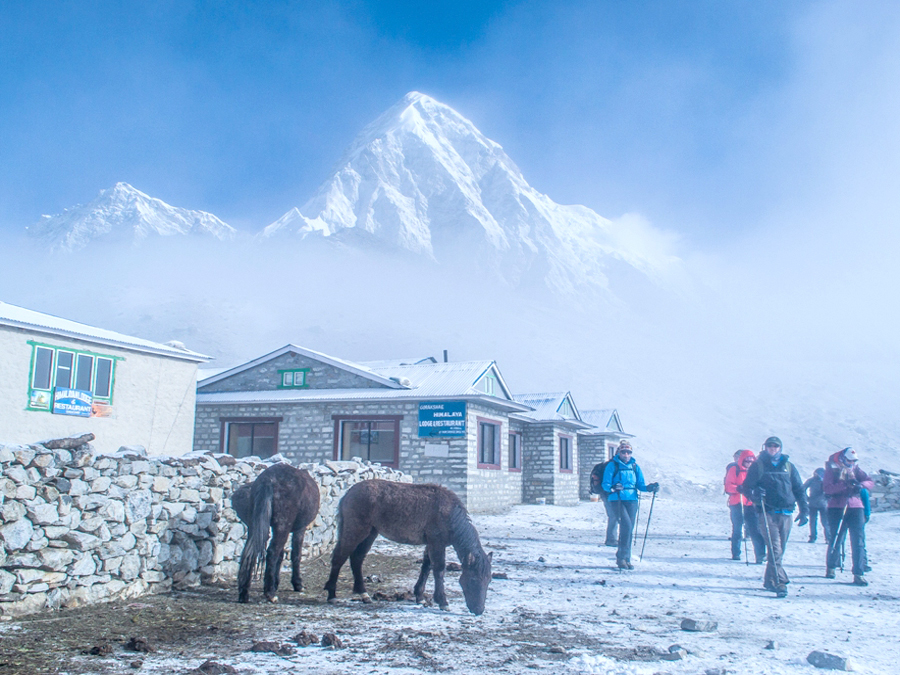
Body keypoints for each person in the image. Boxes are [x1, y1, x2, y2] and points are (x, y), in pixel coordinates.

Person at [740, 436, 808, 598]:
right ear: (765, 447)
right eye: (770, 446)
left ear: (780, 448)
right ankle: (780, 582)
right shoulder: (758, 466)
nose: (772, 448)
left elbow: (798, 489)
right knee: (774, 547)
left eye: (776, 446)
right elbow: (746, 487)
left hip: (786, 512)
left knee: (779, 550)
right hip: (766, 512)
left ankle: (768, 580)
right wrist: (755, 495)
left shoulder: (788, 466)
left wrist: (804, 510)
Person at [601, 440, 659, 570]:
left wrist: (650, 488)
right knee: (626, 526)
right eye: (623, 452)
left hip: (632, 500)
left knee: (629, 529)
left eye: (628, 452)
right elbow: (605, 484)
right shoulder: (612, 466)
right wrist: (614, 488)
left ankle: (626, 558)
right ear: (619, 452)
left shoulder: (634, 467)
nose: (626, 454)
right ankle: (621, 558)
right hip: (617, 499)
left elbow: (640, 485)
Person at [823, 447, 874, 586]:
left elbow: (870, 481)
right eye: (849, 461)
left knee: (858, 540)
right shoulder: (832, 468)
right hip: (837, 507)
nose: (851, 463)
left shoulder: (856, 469)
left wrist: (860, 485)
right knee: (836, 537)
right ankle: (831, 566)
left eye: (853, 461)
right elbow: (827, 488)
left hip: (856, 506)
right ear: (843, 458)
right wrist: (844, 485)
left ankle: (858, 573)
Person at [724, 450, 766, 563]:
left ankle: (760, 554)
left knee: (755, 529)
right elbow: (728, 486)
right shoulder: (734, 469)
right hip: (737, 503)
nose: (748, 463)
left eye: (751, 461)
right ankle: (736, 553)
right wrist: (738, 488)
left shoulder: (755, 471)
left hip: (751, 503)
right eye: (747, 461)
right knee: (737, 529)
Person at [589, 458, 618, 546]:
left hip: (606, 494)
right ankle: (611, 539)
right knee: (613, 516)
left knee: (613, 516)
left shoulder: (608, 465)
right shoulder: (612, 466)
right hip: (609, 494)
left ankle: (612, 538)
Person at [803, 468, 829, 543]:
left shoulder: (823, 481)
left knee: (823, 522)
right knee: (816, 521)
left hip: (820, 503)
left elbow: (803, 489)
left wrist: (806, 498)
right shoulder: (812, 480)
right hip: (816, 503)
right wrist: (806, 498)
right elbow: (802, 489)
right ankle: (815, 537)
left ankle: (825, 538)